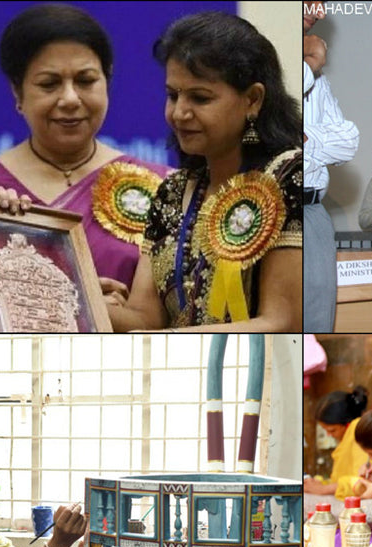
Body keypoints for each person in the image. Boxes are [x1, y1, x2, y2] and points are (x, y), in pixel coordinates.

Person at [102, 12, 302, 332]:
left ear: (252, 100)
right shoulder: (171, 192)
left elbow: (282, 322)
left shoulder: (290, 176)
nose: (179, 112)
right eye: (172, 95)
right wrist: (80, 300)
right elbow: (145, 318)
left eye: (200, 98)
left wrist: (165, 341)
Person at [0, 3, 170, 288]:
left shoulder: (161, 187)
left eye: (85, 80)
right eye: (49, 84)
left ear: (107, 82)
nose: (69, 99)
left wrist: (126, 316)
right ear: (18, 92)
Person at [302, 1, 359, 333]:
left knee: (319, 321)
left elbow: (349, 140)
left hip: (314, 213)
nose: (320, 12)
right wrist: (309, 65)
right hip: (271, 208)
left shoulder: (319, 81)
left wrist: (306, 140)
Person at [303, 385, 372, 500]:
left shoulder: (357, 429)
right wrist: (318, 483)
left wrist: (323, 489)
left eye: (332, 430)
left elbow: (362, 483)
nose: (329, 435)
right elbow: (340, 480)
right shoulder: (348, 437)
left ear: (348, 424)